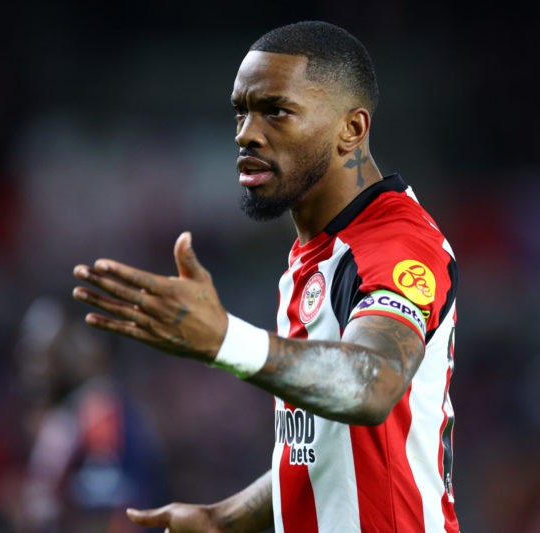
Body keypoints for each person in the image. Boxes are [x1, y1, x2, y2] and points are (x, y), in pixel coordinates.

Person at [72, 20, 459, 532]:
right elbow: (321, 449)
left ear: (353, 129)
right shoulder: (313, 254)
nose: (246, 134)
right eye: (242, 111)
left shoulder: (395, 243)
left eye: (276, 111)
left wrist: (225, 340)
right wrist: (219, 519)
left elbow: (375, 384)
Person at [13, 297, 166, 532]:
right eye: (31, 351)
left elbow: (105, 502)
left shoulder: (98, 408)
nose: (38, 365)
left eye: (48, 353)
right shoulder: (64, 414)